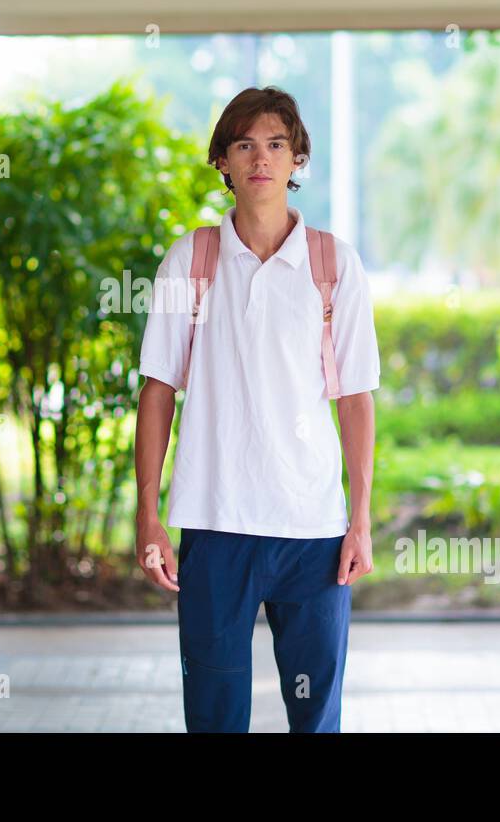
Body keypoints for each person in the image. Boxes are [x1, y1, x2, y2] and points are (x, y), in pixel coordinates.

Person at [134, 85, 381, 733]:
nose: (261, 158)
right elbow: (157, 391)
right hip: (215, 525)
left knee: (316, 715)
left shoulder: (334, 264)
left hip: (313, 529)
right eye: (244, 145)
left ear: (297, 158)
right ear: (222, 160)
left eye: (276, 144)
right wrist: (148, 516)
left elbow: (356, 398)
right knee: (214, 717)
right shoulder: (190, 261)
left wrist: (360, 520)